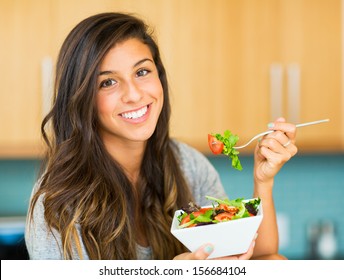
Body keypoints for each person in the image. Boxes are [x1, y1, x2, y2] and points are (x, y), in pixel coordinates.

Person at [25, 12, 297, 260]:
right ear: (83, 98)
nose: (133, 94)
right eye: (108, 82)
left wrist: (264, 181)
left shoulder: (187, 165)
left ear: (160, 77)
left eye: (142, 72)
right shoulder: (55, 202)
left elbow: (261, 254)